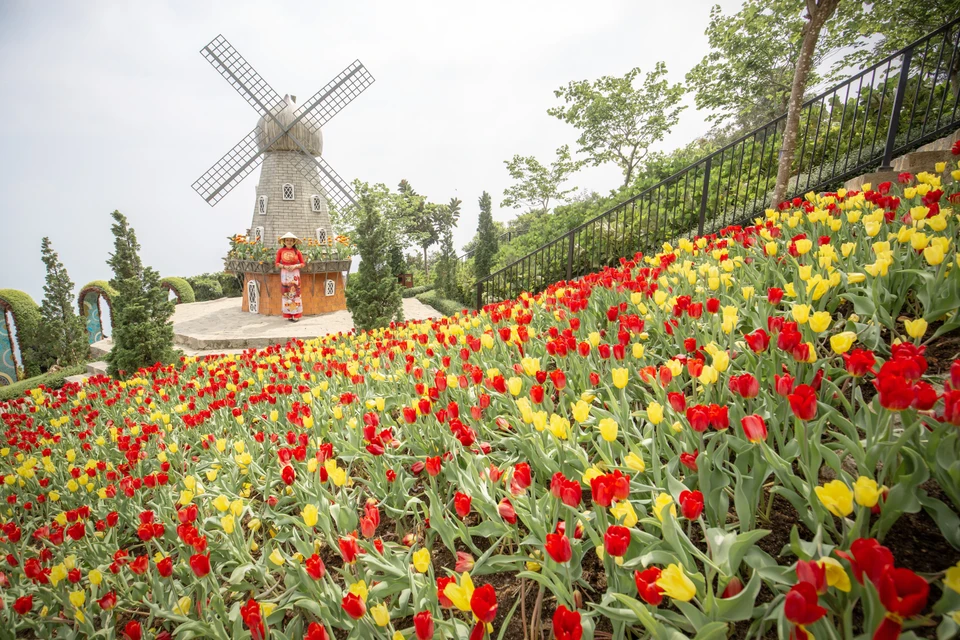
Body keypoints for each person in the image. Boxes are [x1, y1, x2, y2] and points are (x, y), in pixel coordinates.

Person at [275, 232, 306, 321]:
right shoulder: (280, 251)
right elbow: (277, 263)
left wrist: (295, 266)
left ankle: (296, 315)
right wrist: (284, 266)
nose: (289, 242)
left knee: (296, 293)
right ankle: (288, 314)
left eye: (291, 240)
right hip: (285, 274)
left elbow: (303, 263)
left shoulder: (297, 252)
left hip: (295, 273)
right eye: (287, 240)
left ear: (294, 242)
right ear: (284, 241)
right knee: (286, 293)